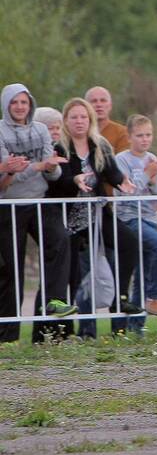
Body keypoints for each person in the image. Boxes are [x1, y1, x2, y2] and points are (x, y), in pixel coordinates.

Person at [48, 97, 136, 339]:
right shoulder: (59, 148)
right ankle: (60, 332)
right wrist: (74, 179)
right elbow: (57, 182)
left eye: (83, 117)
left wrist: (122, 182)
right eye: (74, 117)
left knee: (129, 243)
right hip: (69, 219)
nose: (79, 121)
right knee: (72, 274)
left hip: (97, 214)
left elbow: (112, 172)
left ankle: (121, 299)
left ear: (90, 120)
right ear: (66, 121)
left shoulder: (100, 145)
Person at [0, 84, 75, 342]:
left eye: (24, 102)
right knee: (12, 269)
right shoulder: (0, 132)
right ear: (7, 105)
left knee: (60, 240)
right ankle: (7, 335)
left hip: (39, 201)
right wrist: (35, 166)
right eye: (15, 103)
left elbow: (51, 172)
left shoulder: (41, 129)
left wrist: (50, 167)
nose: (20, 107)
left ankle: (53, 304)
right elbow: (8, 178)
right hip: (9, 206)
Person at [114, 115, 157, 331]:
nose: (144, 139)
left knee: (144, 271)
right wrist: (146, 174)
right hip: (129, 219)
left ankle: (134, 326)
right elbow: (125, 191)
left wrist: (155, 179)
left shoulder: (152, 158)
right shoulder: (121, 160)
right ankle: (155, 297)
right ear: (130, 137)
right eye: (139, 135)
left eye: (148, 135)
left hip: (149, 218)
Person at [85, 87, 129, 154]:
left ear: (110, 105)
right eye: (94, 101)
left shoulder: (122, 132)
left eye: (103, 101)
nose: (99, 105)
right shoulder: (79, 132)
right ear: (85, 106)